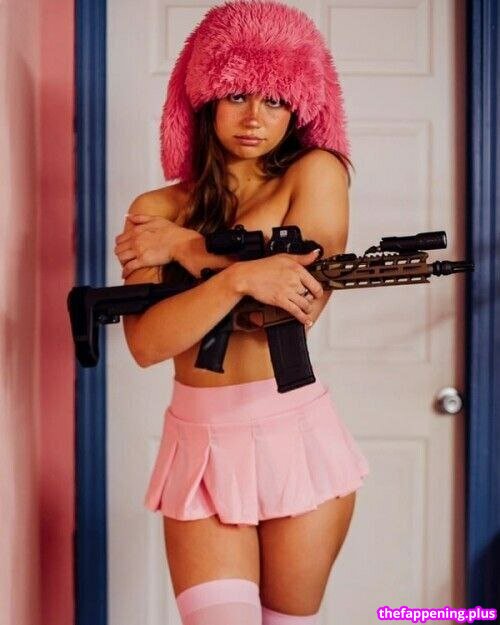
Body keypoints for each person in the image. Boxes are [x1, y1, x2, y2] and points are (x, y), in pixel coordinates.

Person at [114, 1, 370, 623]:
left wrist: (186, 250)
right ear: (206, 100)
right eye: (237, 95)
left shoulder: (316, 173)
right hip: (197, 445)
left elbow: (297, 300)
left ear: (298, 108)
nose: (255, 117)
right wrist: (238, 278)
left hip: (294, 437)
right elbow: (147, 344)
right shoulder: (155, 207)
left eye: (276, 100)